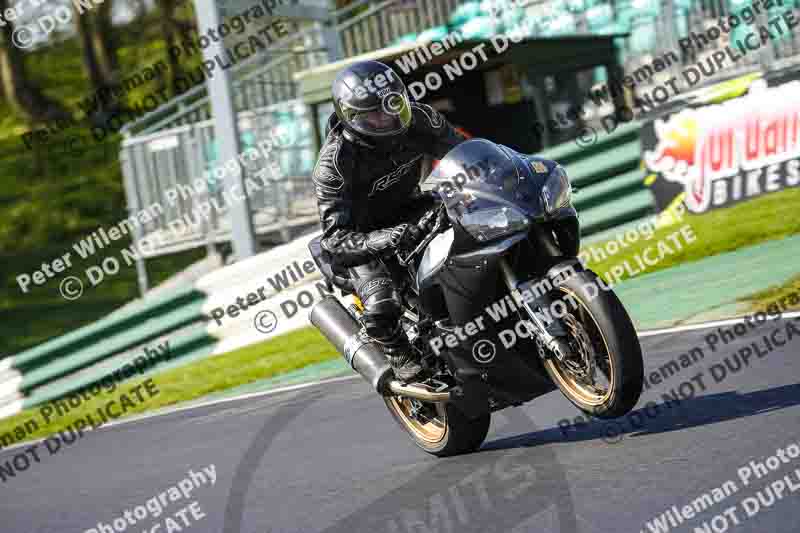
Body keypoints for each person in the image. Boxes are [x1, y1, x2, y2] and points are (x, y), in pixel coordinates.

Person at [311, 60, 467, 382]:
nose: (386, 117)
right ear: (350, 117)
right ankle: (399, 354)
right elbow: (335, 239)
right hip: (361, 239)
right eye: (373, 113)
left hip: (411, 208)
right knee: (383, 302)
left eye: (391, 104)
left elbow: (465, 153)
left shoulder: (420, 119)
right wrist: (388, 238)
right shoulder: (334, 164)